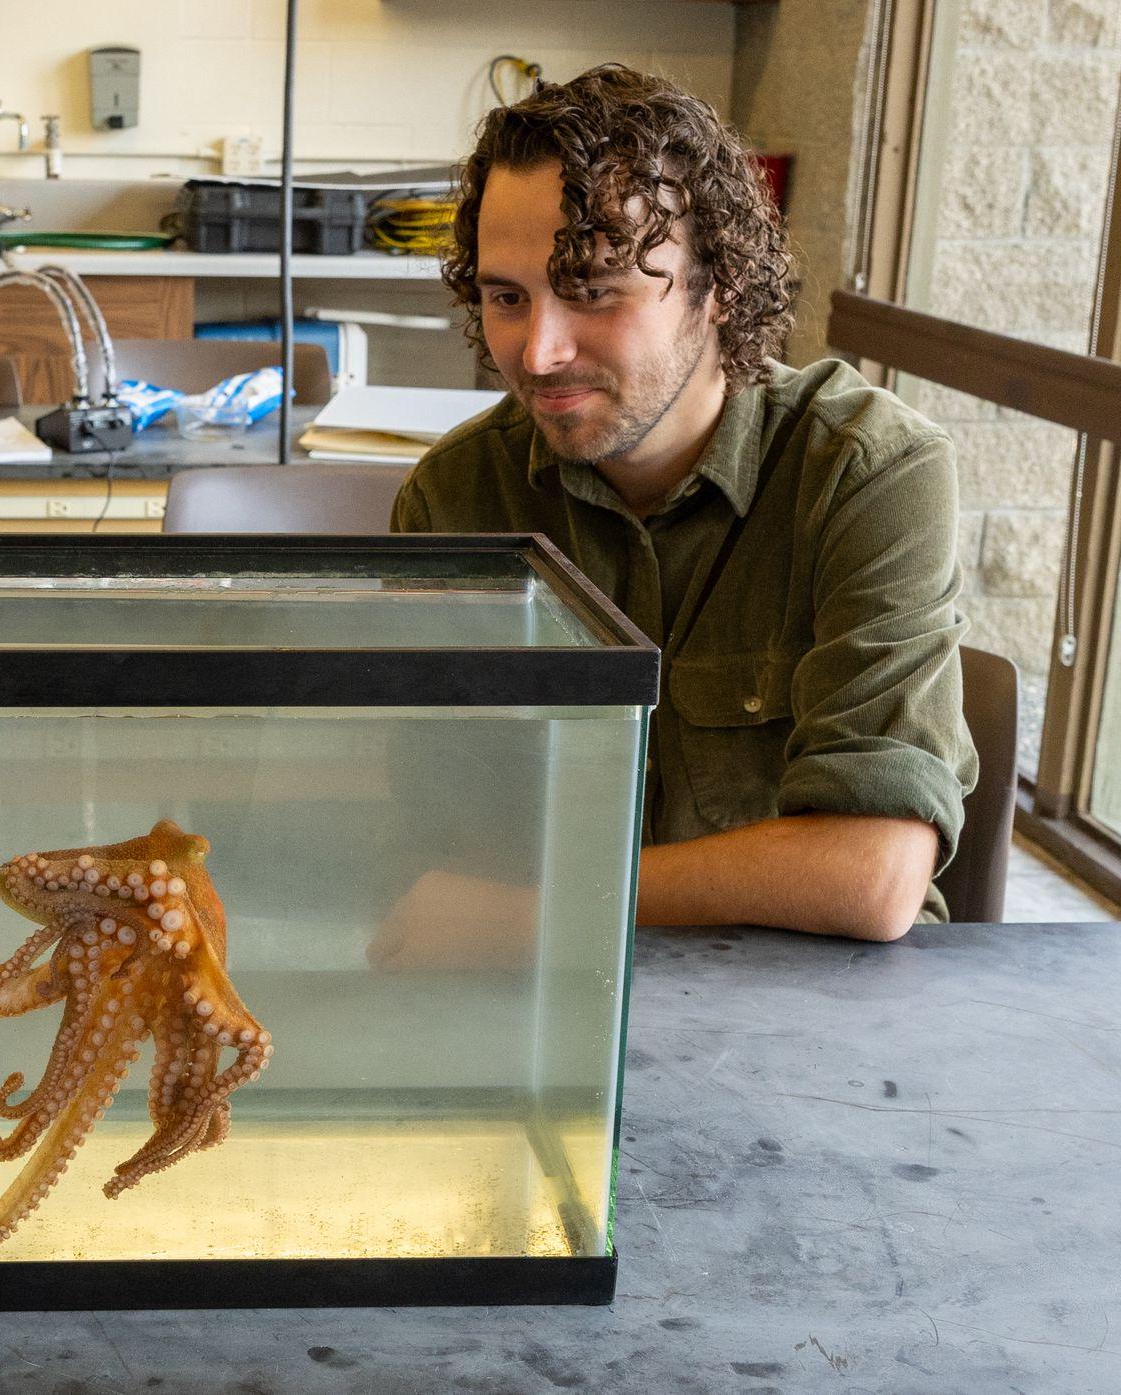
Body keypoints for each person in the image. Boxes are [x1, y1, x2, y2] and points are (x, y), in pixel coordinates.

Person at [386, 65, 977, 945]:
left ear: (719, 288)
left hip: (810, 1002)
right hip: (548, 1003)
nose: (538, 352)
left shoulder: (869, 473)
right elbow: (428, 848)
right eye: (507, 297)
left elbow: (873, 871)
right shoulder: (455, 498)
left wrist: (528, 916)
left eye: (590, 291)